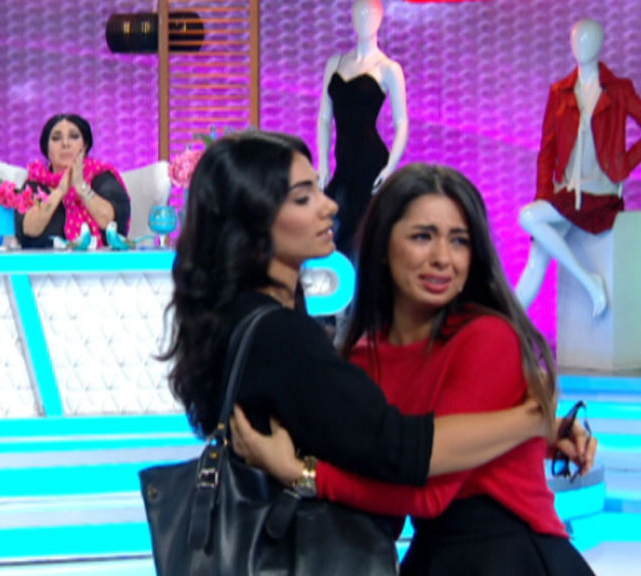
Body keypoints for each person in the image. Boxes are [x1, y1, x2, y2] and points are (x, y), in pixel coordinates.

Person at [162, 130, 566, 538]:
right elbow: (401, 452)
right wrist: (530, 421)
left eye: (459, 240)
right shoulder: (279, 336)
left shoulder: (246, 320)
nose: (329, 205)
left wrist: (540, 432)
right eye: (303, 198)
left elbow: (358, 433)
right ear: (253, 220)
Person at [231, 164, 596, 575]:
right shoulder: (360, 357)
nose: (442, 259)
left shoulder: (488, 337)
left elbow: (429, 495)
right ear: (383, 248)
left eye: (459, 241)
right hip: (432, 556)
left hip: (514, 557)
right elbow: (385, 479)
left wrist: (301, 474)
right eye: (423, 236)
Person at [515, 18, 641, 317]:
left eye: (587, 38)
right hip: (568, 195)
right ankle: (506, 328)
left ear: (600, 43)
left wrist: (624, 163)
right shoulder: (560, 92)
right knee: (536, 259)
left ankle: (589, 282)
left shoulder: (619, 90)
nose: (581, 44)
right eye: (576, 39)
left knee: (528, 217)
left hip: (600, 193)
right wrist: (544, 194)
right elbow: (547, 150)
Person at [318, 0, 408, 260]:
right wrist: (323, 163)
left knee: (361, 236)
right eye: (358, 12)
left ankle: (363, 284)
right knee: (333, 228)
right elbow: (324, 118)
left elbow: (402, 124)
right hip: (342, 164)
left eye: (369, 12)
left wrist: (390, 168)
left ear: (380, 18)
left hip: (371, 163)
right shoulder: (335, 63)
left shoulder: (389, 68)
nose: (363, 18)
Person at [15, 114, 130, 249]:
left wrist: (81, 187)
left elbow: (109, 222)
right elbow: (29, 229)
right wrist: (60, 191)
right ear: (47, 149)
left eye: (74, 137)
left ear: (85, 145)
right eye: (56, 138)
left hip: (100, 261)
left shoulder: (102, 177)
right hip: (46, 262)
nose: (65, 144)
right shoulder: (35, 183)